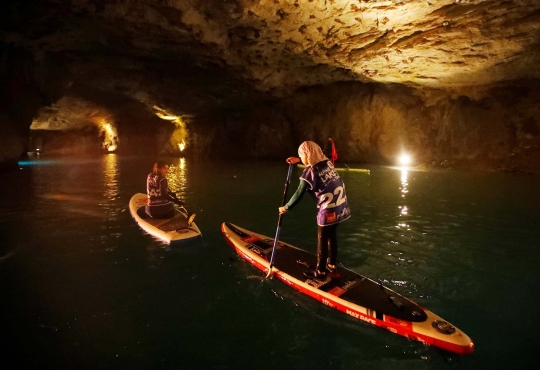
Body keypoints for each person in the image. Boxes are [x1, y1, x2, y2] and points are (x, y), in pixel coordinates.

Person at [279, 141, 351, 279]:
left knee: (322, 239)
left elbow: (299, 192)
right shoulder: (328, 163)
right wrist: (299, 160)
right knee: (332, 235)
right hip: (341, 208)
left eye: (302, 155)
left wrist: (286, 207)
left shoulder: (310, 172)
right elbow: (313, 159)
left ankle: (321, 271)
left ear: (307, 155)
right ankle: (332, 264)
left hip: (328, 209)